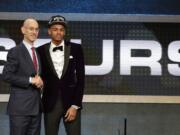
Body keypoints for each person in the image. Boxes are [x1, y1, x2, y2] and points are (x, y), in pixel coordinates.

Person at [37, 15, 85, 135]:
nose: (58, 32)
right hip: (50, 104)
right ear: (49, 31)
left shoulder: (76, 48)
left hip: (71, 104)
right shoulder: (40, 51)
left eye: (61, 29)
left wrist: (75, 105)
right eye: (55, 29)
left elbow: (81, 79)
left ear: (64, 32)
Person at [3, 18, 43, 135]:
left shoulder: (37, 52)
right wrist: (30, 80)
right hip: (20, 110)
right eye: (31, 29)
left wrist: (40, 82)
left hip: (36, 109)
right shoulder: (15, 51)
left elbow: (36, 76)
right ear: (23, 30)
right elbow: (6, 75)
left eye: (36, 29)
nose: (34, 32)